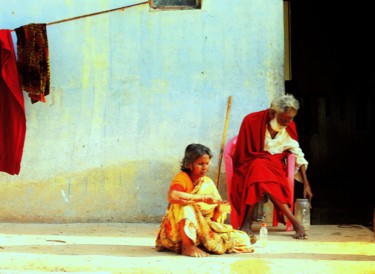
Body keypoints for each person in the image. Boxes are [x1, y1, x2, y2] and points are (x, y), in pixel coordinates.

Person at [231, 94, 313, 239]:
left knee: (261, 172)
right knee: (258, 167)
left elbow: (297, 153)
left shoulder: (289, 126)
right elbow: (243, 153)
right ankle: (295, 223)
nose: (287, 123)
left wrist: (306, 183)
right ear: (272, 113)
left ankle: (247, 222)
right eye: (283, 119)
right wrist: (259, 161)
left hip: (275, 167)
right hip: (250, 164)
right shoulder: (251, 120)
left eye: (290, 119)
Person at [155, 144, 254, 257]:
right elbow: (173, 196)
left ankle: (201, 244)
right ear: (189, 164)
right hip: (177, 231)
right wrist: (202, 199)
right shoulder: (182, 178)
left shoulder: (208, 182)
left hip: (203, 228)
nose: (204, 167)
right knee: (184, 205)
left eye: (207, 164)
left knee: (243, 239)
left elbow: (214, 220)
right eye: (200, 164)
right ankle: (187, 246)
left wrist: (219, 210)